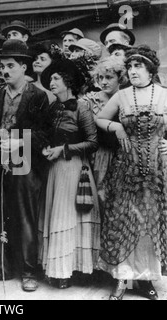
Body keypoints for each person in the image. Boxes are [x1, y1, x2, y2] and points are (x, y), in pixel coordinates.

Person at [0, 39, 51, 292]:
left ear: (24, 67)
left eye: (10, 66)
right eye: (2, 66)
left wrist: (18, 142)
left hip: (25, 164)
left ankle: (29, 271)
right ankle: (0, 268)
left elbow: (45, 135)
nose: (5, 71)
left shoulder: (37, 96)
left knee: (25, 217)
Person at [96, 45, 167, 300]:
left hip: (155, 170)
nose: (133, 71)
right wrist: (116, 127)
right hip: (126, 168)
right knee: (124, 219)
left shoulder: (164, 94)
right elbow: (99, 119)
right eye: (130, 66)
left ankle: (146, 280)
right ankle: (122, 279)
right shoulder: (122, 96)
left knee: (148, 223)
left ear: (150, 68)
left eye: (138, 65)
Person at [39, 58, 100, 289]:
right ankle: (55, 269)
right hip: (53, 170)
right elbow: (44, 133)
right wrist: (45, 147)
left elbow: (92, 142)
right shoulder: (52, 107)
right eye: (51, 79)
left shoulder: (81, 108)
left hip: (73, 169)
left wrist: (63, 150)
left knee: (68, 216)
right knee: (56, 216)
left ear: (68, 82)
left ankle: (70, 270)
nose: (52, 83)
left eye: (56, 78)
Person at [81, 57, 127, 209]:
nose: (104, 82)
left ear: (120, 78)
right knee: (99, 194)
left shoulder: (127, 99)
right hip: (98, 154)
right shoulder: (89, 100)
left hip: (122, 153)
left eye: (109, 77)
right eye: (100, 77)